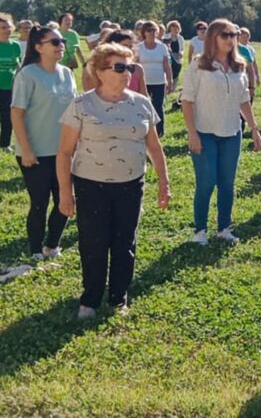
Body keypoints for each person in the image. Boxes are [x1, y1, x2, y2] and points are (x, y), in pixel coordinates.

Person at [56, 43, 170, 319]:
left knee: (124, 242)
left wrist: (163, 181)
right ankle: (90, 300)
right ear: (99, 71)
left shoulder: (142, 103)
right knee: (93, 243)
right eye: (119, 67)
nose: (127, 73)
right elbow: (65, 152)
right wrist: (65, 193)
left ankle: (119, 297)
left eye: (130, 67)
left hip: (131, 184)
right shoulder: (82, 105)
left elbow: (154, 147)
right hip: (90, 185)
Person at [182, 19, 261, 245]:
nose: (230, 39)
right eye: (225, 35)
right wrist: (192, 132)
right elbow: (187, 100)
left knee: (227, 183)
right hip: (204, 132)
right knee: (206, 182)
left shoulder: (239, 65)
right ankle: (200, 231)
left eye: (233, 35)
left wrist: (254, 128)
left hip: (232, 133)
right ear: (213, 37)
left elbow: (243, 99)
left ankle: (224, 228)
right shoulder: (199, 64)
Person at [10, 24, 76, 261]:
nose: (61, 46)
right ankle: (36, 251)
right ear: (38, 47)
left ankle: (52, 245)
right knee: (39, 203)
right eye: (55, 42)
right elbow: (16, 114)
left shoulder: (67, 73)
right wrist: (26, 150)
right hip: (35, 153)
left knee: (65, 200)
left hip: (64, 152)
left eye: (62, 42)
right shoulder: (28, 75)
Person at [137, 21, 173, 137]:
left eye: (154, 30)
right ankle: (144, 129)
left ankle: (159, 131)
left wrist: (170, 81)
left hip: (159, 81)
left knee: (158, 106)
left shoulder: (162, 47)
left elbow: (167, 65)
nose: (152, 33)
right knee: (143, 105)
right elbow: (135, 65)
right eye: (149, 30)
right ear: (144, 33)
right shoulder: (139, 47)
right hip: (144, 82)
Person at [0, 17, 22, 151]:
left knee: (8, 117)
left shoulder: (15, 46)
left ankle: (4, 144)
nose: (7, 30)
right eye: (3, 28)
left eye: (8, 27)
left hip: (9, 88)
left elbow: (18, 66)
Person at [163, 21, 185, 86]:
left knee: (175, 75)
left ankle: (173, 87)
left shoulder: (180, 38)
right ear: (170, 28)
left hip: (177, 59)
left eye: (176, 28)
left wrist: (181, 53)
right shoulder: (166, 37)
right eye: (173, 27)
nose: (175, 29)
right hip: (168, 58)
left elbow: (182, 49)